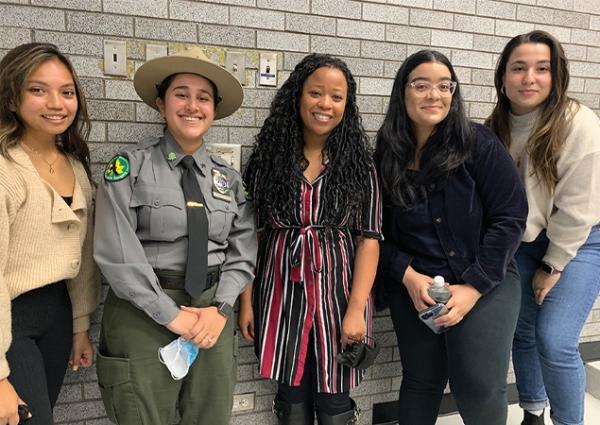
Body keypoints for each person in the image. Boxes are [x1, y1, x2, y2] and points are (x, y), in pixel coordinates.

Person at [93, 47, 257, 425]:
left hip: (212, 311)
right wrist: (172, 317)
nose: (192, 106)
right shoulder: (129, 168)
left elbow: (243, 251)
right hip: (143, 311)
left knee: (210, 417)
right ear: (160, 103)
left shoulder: (229, 181)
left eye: (203, 98)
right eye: (181, 94)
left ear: (214, 110)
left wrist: (221, 309)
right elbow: (117, 253)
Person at [375, 49, 528, 425]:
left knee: (477, 383)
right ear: (403, 92)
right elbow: (372, 233)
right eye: (422, 85)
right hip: (415, 281)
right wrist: (408, 277)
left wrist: (472, 288)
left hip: (486, 278)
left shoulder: (478, 143)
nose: (434, 95)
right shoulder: (386, 154)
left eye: (445, 86)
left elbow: (510, 219)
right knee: (421, 380)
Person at [239, 53, 382, 424]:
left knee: (335, 394)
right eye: (316, 93)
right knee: (291, 394)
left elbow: (369, 239)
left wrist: (356, 309)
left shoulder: (359, 164)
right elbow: (248, 236)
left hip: (339, 297)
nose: (326, 104)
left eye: (337, 97)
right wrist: (246, 301)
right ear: (297, 96)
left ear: (346, 106)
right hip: (280, 294)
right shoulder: (267, 160)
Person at [486, 30, 600, 425]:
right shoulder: (495, 125)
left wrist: (552, 267)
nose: (528, 78)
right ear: (503, 76)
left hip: (580, 239)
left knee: (555, 339)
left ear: (557, 76)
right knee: (523, 332)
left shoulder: (578, 121)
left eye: (541, 69)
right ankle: (532, 413)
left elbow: (578, 208)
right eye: (518, 68)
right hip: (524, 240)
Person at [0, 43, 100, 425]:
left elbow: (83, 255)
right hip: (12, 319)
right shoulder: (6, 169)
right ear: (12, 98)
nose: (56, 103)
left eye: (67, 91)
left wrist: (79, 327)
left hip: (57, 315)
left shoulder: (75, 165)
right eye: (38, 90)